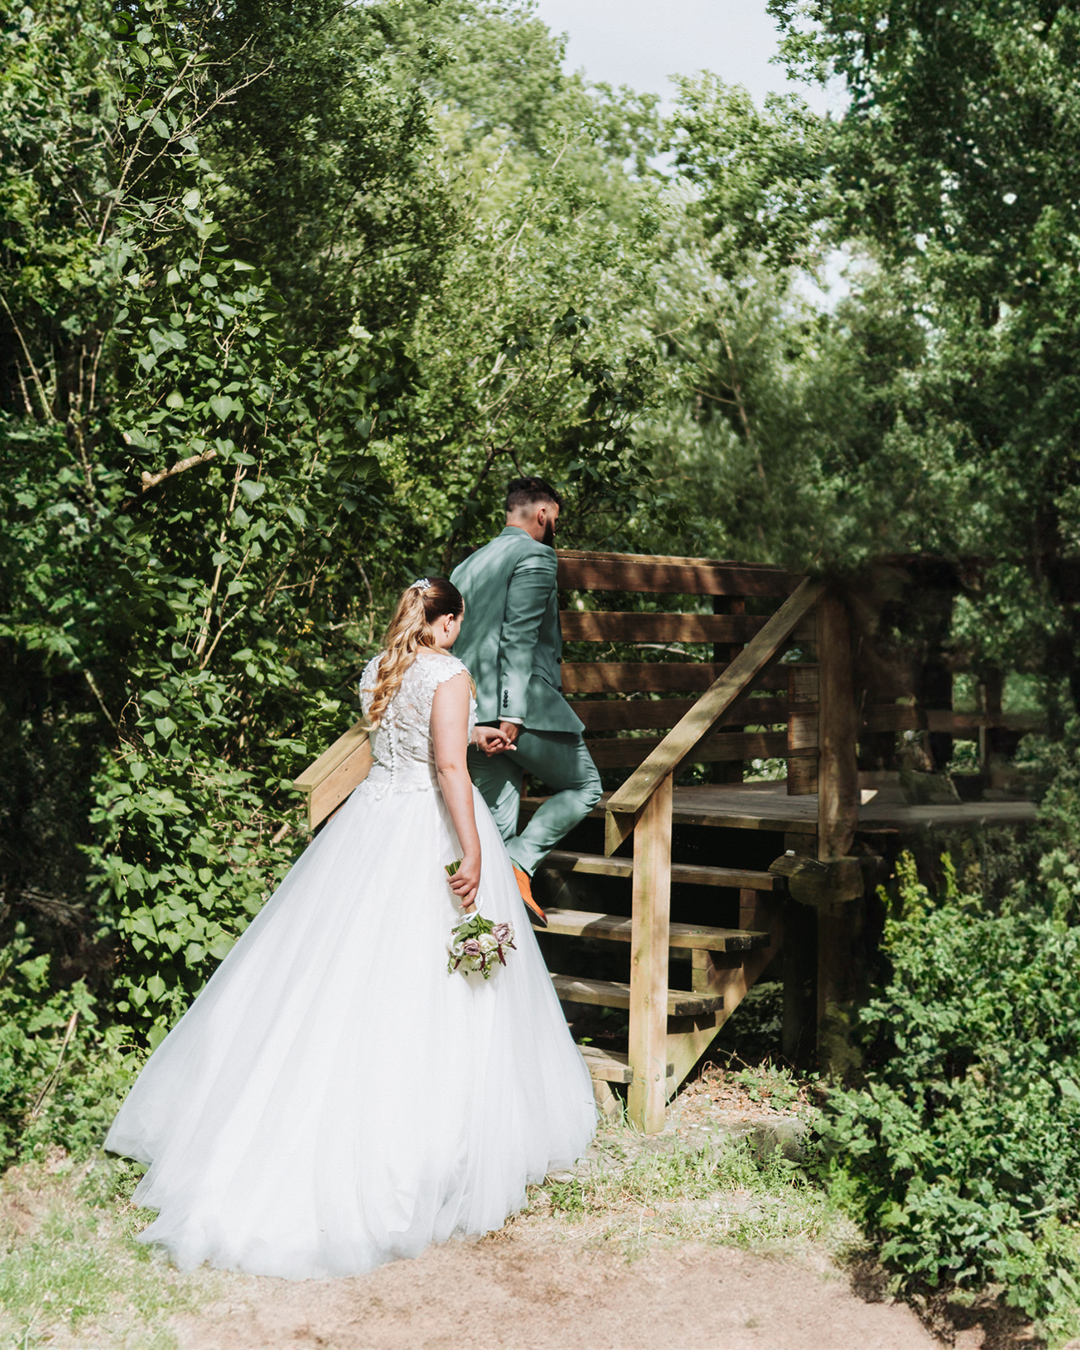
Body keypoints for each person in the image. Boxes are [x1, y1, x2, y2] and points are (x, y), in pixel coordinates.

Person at [104, 577, 596, 1280]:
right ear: (449, 622)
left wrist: (476, 730)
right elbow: (449, 768)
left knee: (340, 977)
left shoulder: (379, 668)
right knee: (443, 983)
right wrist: (476, 852)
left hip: (370, 825)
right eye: (458, 621)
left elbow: (406, 744)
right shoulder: (451, 672)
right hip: (425, 826)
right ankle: (435, 1152)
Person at [450, 477, 603, 927]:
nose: (556, 524)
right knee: (585, 786)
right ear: (542, 513)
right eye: (555, 515)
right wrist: (514, 713)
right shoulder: (536, 555)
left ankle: (482, 933)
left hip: (474, 717)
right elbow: (517, 639)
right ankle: (518, 864)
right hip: (519, 712)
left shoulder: (468, 565)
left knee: (492, 827)